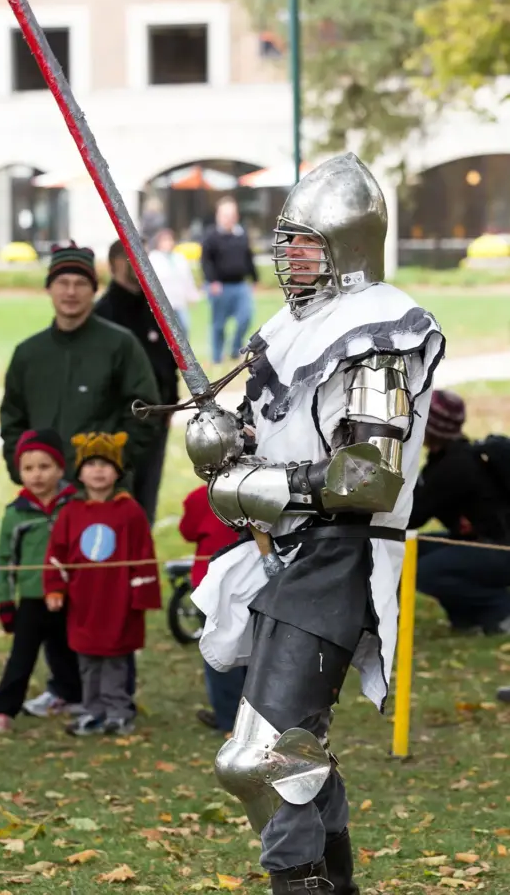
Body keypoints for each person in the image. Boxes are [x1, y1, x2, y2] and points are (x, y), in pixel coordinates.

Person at [185, 154, 445, 893]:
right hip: (286, 554)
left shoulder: (379, 332)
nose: (287, 255)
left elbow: (368, 475)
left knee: (258, 760)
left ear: (347, 244)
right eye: (286, 241)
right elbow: (265, 439)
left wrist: (262, 481)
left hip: (341, 556)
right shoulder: (290, 324)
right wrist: (222, 441)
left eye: (305, 242)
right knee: (296, 755)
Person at [1, 240, 159, 716]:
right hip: (49, 502)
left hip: (102, 505)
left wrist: (111, 469)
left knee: (106, 597)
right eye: (62, 284)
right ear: (49, 289)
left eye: (80, 284)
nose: (70, 293)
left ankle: (115, 695)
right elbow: (12, 419)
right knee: (54, 591)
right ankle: (66, 686)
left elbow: (145, 411)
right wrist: (23, 469)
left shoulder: (118, 345)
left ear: (93, 289)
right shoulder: (29, 353)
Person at [44, 432, 162, 736]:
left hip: (118, 602)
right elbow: (57, 554)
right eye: (92, 463)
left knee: (115, 661)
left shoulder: (130, 512)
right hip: (83, 604)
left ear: (118, 472)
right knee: (88, 660)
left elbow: (143, 554)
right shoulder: (71, 513)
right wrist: (55, 588)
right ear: (80, 472)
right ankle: (93, 711)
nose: (98, 470)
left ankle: (118, 712)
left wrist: (141, 596)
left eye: (106, 464)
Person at [0, 429, 82, 737]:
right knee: (22, 656)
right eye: (28, 468)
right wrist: (4, 601)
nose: (36, 475)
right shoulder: (16, 514)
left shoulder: (75, 505)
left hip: (71, 595)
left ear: (60, 468)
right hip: (32, 597)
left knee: (68, 650)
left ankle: (74, 697)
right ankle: (3, 710)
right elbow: (4, 560)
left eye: (44, 467)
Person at [409, 390, 510, 635]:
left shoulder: (453, 468)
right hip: (482, 544)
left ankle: (501, 611)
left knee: (424, 569)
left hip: (500, 550)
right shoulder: (450, 458)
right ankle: (467, 618)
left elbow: (412, 516)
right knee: (406, 553)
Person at [95, 239, 178, 527]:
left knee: (146, 500)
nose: (139, 264)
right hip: (121, 423)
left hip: (156, 419)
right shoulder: (105, 313)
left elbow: (170, 358)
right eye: (131, 257)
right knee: (120, 501)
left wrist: (171, 403)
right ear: (114, 262)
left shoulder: (156, 308)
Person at [179, 483, 245, 732]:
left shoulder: (199, 497)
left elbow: (188, 531)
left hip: (213, 584)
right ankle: (246, 719)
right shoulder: (262, 492)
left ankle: (229, 717)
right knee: (251, 650)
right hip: (248, 583)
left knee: (220, 651)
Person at [200, 196, 258, 366]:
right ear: (218, 215)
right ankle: (217, 357)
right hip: (220, 286)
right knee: (218, 324)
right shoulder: (211, 236)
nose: (229, 218)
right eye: (225, 215)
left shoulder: (241, 235)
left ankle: (234, 350)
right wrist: (212, 281)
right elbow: (205, 261)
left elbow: (248, 257)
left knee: (245, 317)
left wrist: (254, 278)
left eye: (232, 214)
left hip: (240, 285)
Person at [149, 228, 201, 336]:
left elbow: (187, 278)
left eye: (169, 240)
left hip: (179, 301)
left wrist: (192, 296)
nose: (168, 243)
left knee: (184, 328)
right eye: (164, 240)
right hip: (163, 301)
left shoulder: (179, 258)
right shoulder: (154, 258)